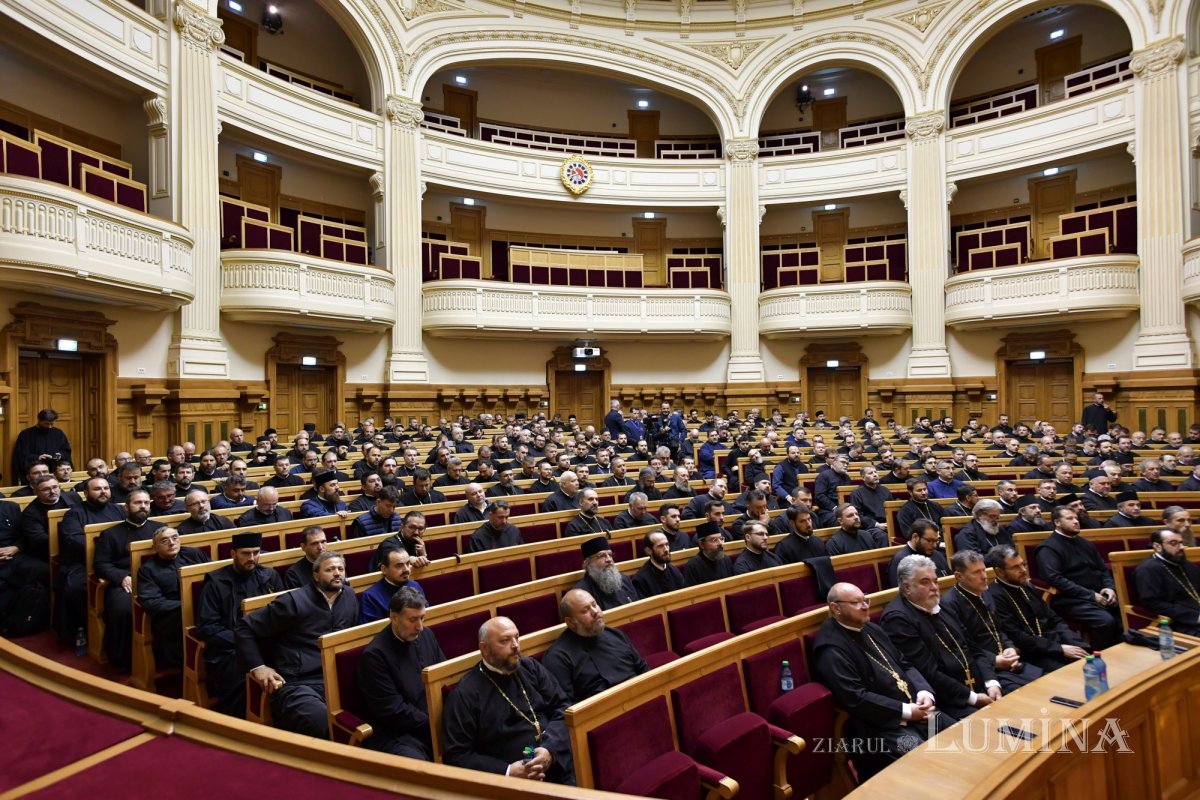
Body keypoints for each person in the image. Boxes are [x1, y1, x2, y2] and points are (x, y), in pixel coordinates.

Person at [812, 582, 942, 782]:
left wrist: (924, 692)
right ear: (835, 609)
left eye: (866, 600)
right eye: (856, 603)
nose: (865, 606)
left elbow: (904, 663)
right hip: (879, 727)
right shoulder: (830, 648)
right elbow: (856, 698)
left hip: (916, 709)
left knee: (959, 733)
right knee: (929, 762)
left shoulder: (871, 628)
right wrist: (907, 712)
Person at [236, 552, 358, 738]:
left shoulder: (349, 596)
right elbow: (244, 628)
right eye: (330, 569)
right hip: (298, 683)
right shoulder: (293, 601)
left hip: (336, 677)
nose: (337, 573)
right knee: (323, 724)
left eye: (340, 569)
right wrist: (258, 667)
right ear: (316, 575)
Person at [441, 616, 574, 783]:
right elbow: (456, 755)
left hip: (558, 763)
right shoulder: (465, 694)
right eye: (505, 640)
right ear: (485, 649)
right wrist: (507, 771)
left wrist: (550, 750)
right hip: (510, 785)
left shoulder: (530, 667)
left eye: (516, 637)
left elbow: (563, 707)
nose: (516, 646)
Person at [881, 555, 999, 722]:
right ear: (907, 587)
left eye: (935, 581)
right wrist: (973, 697)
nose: (934, 587)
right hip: (950, 701)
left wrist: (991, 681)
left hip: (981, 686)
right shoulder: (898, 620)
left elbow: (974, 649)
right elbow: (928, 672)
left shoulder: (941, 605)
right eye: (925, 582)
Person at [195, 532, 284, 717]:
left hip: (267, 640)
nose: (252, 558)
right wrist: (246, 642)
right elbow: (207, 627)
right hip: (230, 647)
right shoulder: (215, 582)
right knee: (241, 679)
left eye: (256, 552)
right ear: (233, 553)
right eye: (245, 553)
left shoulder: (269, 575)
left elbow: (284, 611)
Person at [356, 587, 447, 759]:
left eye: (422, 618)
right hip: (400, 733)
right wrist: (436, 725)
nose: (419, 627)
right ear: (394, 617)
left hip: (433, 718)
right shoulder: (375, 656)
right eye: (413, 619)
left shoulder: (426, 634)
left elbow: (442, 676)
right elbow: (393, 711)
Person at [940, 550, 1042, 693]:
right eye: (976, 573)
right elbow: (964, 647)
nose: (984, 576)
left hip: (1009, 661)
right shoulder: (949, 604)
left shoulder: (985, 592)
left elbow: (999, 629)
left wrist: (1009, 647)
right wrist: (995, 660)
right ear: (959, 576)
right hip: (986, 670)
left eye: (984, 570)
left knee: (1045, 681)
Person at [984, 545, 1090, 671]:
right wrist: (1060, 649)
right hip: (1031, 653)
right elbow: (1017, 637)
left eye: (1023, 564)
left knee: (1089, 655)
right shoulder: (994, 596)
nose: (1023, 570)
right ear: (1000, 571)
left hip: (1052, 642)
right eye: (1016, 567)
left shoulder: (1027, 585)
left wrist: (1074, 642)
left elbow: (1054, 619)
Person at [1035, 506, 1123, 650]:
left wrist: (1109, 587)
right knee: (1105, 621)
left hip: (1098, 594)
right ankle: (1098, 656)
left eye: (1076, 518)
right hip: (1071, 600)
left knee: (1124, 615)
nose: (1076, 521)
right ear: (1057, 522)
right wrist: (1090, 595)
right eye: (1070, 518)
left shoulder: (1085, 543)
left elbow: (1102, 569)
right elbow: (1055, 579)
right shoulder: (1048, 548)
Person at [542, 589, 648, 703]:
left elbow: (644, 670)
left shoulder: (615, 634)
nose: (595, 612)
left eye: (594, 604)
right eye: (585, 610)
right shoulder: (558, 657)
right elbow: (568, 707)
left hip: (641, 699)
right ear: (570, 622)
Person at [93, 488, 157, 671]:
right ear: (127, 507)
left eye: (146, 503)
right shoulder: (111, 534)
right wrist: (121, 577)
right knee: (124, 610)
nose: (143, 506)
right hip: (125, 582)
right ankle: (123, 660)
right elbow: (101, 564)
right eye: (138, 503)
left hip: (156, 579)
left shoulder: (160, 529)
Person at [136, 526, 209, 667]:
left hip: (202, 605)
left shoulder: (194, 554)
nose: (171, 543)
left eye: (175, 538)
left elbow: (214, 577)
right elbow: (152, 602)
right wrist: (187, 606)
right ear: (155, 547)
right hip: (172, 614)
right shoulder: (148, 569)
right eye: (164, 540)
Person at [1132, 528, 1200, 635]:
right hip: (1177, 622)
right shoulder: (1147, 569)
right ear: (1157, 546)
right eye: (1174, 543)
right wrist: (1194, 617)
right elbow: (1152, 603)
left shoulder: (1187, 565)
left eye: (1181, 543)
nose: (1181, 547)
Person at [359, 548, 426, 625]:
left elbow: (425, 616)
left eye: (408, 564)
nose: (406, 569)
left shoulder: (415, 586)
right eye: (399, 566)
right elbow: (371, 631)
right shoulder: (370, 597)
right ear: (384, 569)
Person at [573, 537, 638, 609]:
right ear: (588, 564)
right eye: (601, 556)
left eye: (610, 555)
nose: (609, 559)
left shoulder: (625, 579)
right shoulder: (582, 592)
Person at [12, 408, 72, 484]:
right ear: (39, 420)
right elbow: (21, 456)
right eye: (46, 424)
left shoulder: (58, 433)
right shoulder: (26, 435)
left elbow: (66, 450)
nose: (50, 427)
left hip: (55, 475)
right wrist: (38, 458)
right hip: (35, 476)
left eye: (52, 424)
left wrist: (59, 455)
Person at [886, 519, 949, 588]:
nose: (934, 545)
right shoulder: (900, 561)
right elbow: (901, 593)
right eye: (930, 541)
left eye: (936, 541)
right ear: (915, 537)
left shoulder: (938, 555)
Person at [632, 530, 685, 598]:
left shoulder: (674, 571)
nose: (666, 549)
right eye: (660, 546)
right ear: (649, 551)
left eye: (667, 544)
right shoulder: (640, 580)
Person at [682, 520, 734, 586]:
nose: (720, 543)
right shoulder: (692, 566)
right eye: (714, 540)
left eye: (721, 539)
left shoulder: (726, 559)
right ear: (702, 545)